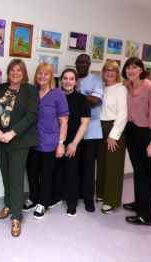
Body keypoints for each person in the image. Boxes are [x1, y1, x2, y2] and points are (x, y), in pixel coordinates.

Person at [0, 59, 38, 237]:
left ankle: (16, 217)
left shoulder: (30, 90)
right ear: (8, 71)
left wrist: (12, 133)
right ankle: (8, 205)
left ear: (23, 72)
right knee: (6, 175)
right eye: (12, 70)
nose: (15, 73)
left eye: (19, 70)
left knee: (16, 178)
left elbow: (31, 115)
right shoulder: (1, 88)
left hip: (19, 141)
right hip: (1, 139)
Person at [122, 57, 151, 227]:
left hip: (147, 135)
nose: (131, 70)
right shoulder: (128, 87)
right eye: (128, 68)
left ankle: (147, 216)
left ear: (141, 69)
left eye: (135, 67)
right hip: (131, 133)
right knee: (139, 173)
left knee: (145, 175)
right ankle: (139, 203)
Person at [25, 63, 69, 219]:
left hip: (50, 143)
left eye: (45, 74)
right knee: (31, 172)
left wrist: (61, 144)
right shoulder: (32, 92)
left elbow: (64, 121)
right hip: (31, 141)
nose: (41, 76)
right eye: (39, 73)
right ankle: (33, 198)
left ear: (51, 77)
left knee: (46, 175)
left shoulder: (58, 95)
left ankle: (42, 203)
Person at [96, 60, 127, 214]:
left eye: (113, 70)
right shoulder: (102, 88)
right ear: (103, 72)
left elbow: (123, 114)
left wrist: (113, 135)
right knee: (102, 164)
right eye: (107, 70)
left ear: (117, 73)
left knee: (113, 166)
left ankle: (111, 200)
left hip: (114, 129)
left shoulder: (121, 89)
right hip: (100, 127)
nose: (110, 72)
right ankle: (101, 193)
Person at [58, 69, 91, 216]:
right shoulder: (56, 96)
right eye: (65, 78)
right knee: (58, 171)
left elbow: (84, 123)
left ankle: (72, 203)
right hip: (57, 140)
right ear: (61, 80)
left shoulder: (81, 99)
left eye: (71, 79)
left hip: (74, 141)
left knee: (72, 172)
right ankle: (57, 196)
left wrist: (74, 144)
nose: (68, 81)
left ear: (76, 82)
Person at [75, 54, 104, 212]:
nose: (82, 64)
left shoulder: (96, 80)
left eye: (85, 62)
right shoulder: (72, 79)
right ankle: (77, 193)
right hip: (75, 128)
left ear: (89, 64)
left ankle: (88, 198)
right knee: (75, 163)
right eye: (79, 62)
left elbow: (96, 100)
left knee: (88, 164)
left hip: (91, 128)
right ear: (76, 64)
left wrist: (76, 97)